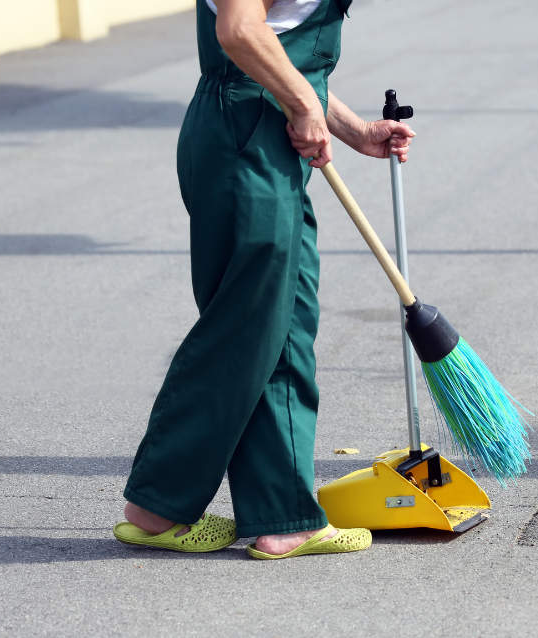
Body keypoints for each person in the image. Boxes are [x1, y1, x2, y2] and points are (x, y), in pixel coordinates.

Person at [112, 0, 415, 559]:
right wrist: (304, 104)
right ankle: (157, 506)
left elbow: (277, 46)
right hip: (245, 140)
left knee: (287, 324)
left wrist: (354, 129)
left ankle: (285, 516)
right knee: (245, 328)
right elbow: (241, 30)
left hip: (268, 135)